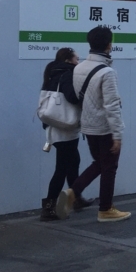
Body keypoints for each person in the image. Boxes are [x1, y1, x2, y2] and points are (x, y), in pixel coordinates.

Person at [55, 27, 131, 221]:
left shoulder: (79, 68)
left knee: (100, 163)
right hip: (105, 127)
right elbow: (112, 105)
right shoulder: (107, 72)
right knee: (110, 167)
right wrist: (118, 134)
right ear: (108, 45)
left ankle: (74, 191)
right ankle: (105, 209)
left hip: (88, 126)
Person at [40, 48, 94, 221]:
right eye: (77, 59)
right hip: (65, 128)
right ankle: (49, 208)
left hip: (55, 126)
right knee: (62, 167)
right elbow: (71, 97)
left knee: (73, 161)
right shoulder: (68, 74)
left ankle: (76, 197)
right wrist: (86, 95)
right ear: (69, 60)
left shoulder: (52, 73)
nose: (78, 62)